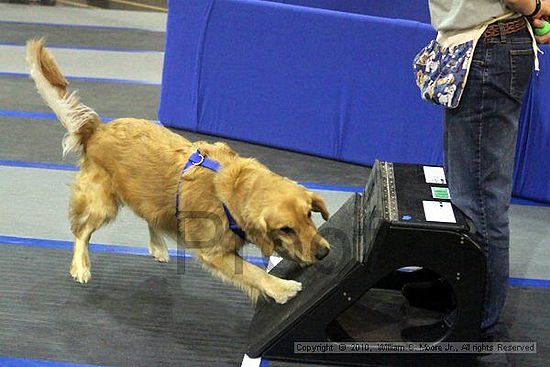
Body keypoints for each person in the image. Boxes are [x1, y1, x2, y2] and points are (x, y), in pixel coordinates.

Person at [402, 0, 549, 343]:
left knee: (480, 201)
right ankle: (455, 287)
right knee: (462, 188)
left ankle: (474, 321)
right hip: (479, 44)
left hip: (489, 46)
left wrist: (535, 6)